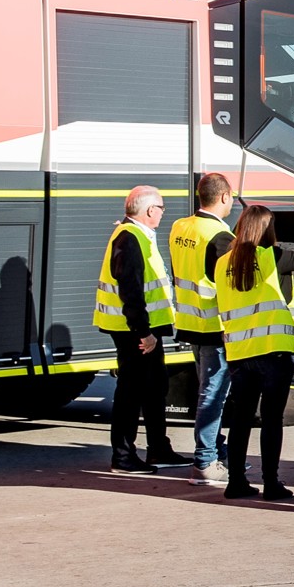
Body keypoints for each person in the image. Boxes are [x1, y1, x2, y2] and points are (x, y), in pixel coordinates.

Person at [216, 202, 294, 500]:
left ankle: (235, 481)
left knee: (241, 418)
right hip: (274, 351)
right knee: (272, 419)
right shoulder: (271, 256)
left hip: (239, 352)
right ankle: (271, 483)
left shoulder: (222, 262)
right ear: (268, 230)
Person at [93, 185, 190, 474]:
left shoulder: (137, 235)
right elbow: (131, 290)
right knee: (131, 392)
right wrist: (143, 332)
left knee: (154, 388)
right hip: (134, 330)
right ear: (150, 210)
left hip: (145, 328)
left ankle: (158, 449)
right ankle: (123, 456)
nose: (162, 213)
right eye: (161, 208)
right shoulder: (130, 238)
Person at [169, 173, 236, 485]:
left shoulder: (180, 226)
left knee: (208, 391)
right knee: (213, 395)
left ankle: (218, 455)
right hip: (215, 327)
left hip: (188, 323)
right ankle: (205, 461)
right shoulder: (220, 235)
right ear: (223, 197)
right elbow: (229, 285)